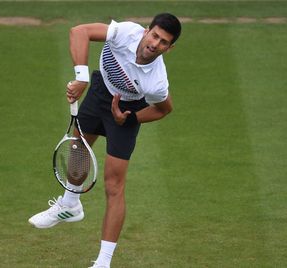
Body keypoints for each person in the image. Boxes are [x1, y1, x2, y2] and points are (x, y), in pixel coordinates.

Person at [29, 13, 182, 268]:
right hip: (101, 90)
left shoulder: (155, 81)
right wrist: (81, 77)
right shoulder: (126, 33)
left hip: (126, 109)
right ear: (146, 31)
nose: (155, 44)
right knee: (78, 147)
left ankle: (103, 263)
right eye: (155, 35)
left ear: (170, 47)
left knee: (114, 185)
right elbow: (80, 30)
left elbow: (164, 109)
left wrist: (130, 119)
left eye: (164, 42)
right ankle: (70, 204)